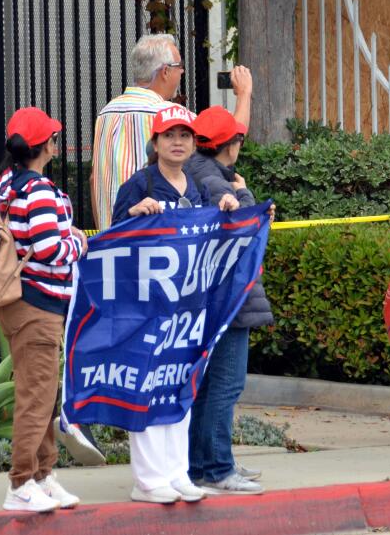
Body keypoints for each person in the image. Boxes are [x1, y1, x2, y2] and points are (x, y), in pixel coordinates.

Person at [111, 105, 238, 504]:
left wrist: (225, 211)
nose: (178, 142)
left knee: (178, 385)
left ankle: (176, 471)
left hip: (187, 308)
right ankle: (147, 480)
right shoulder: (140, 182)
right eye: (170, 136)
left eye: (185, 135)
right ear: (156, 142)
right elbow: (113, 240)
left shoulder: (195, 186)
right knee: (149, 385)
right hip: (149, 307)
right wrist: (134, 214)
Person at [0, 107, 86, 512]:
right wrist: (79, 242)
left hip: (18, 302)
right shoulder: (39, 190)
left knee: (42, 393)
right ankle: (21, 482)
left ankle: (43, 476)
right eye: (54, 138)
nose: (56, 144)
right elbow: (51, 250)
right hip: (39, 305)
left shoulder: (5, 185)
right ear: (46, 145)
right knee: (37, 396)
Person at [184, 106, 274, 495]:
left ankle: (205, 464)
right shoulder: (218, 182)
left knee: (208, 387)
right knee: (225, 384)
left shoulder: (197, 172)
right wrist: (243, 192)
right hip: (230, 296)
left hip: (209, 295)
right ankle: (218, 467)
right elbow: (248, 223)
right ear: (230, 144)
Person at [91, 33, 253, 231]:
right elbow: (230, 136)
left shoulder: (106, 112)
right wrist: (244, 93)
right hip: (156, 239)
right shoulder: (170, 116)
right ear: (165, 71)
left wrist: (104, 232)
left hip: (112, 239)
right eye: (179, 66)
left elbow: (94, 179)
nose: (182, 72)